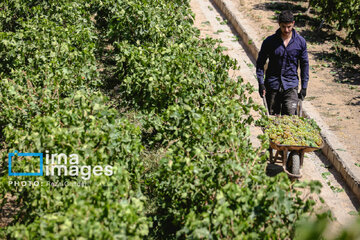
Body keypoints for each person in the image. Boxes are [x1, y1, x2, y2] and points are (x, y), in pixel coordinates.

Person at [256, 10, 309, 115]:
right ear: (279, 24)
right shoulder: (269, 42)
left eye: (289, 27)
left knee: (290, 116)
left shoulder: (300, 42)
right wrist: (261, 83)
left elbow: (304, 65)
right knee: (271, 116)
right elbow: (260, 64)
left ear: (293, 24)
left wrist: (304, 87)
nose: (286, 30)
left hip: (290, 84)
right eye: (283, 26)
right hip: (272, 85)